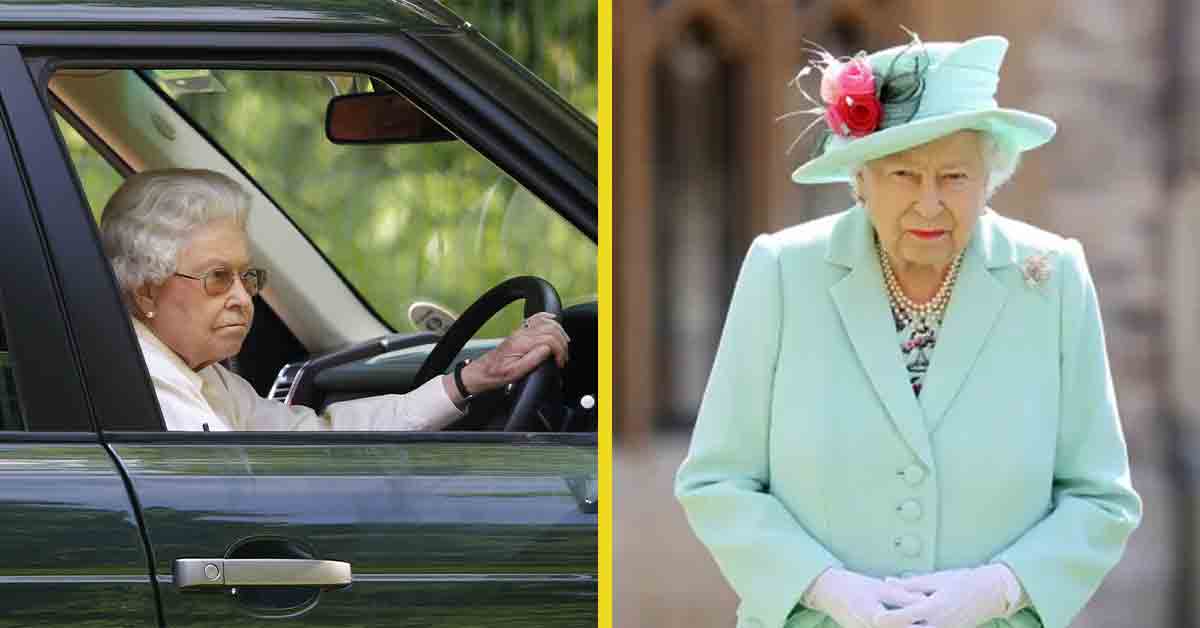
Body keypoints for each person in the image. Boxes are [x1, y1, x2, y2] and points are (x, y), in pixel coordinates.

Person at [674, 34, 1141, 628]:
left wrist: (1002, 588)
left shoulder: (1050, 280)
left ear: (990, 177)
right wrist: (823, 587)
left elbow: (1101, 498)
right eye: (902, 174)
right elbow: (717, 480)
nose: (928, 204)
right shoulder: (783, 272)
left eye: (953, 176)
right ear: (860, 179)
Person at [100, 168, 568, 431]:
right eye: (218, 278)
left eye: (247, 276)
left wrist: (471, 380)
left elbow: (318, 439)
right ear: (146, 291)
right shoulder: (145, 391)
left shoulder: (207, 379)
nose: (244, 299)